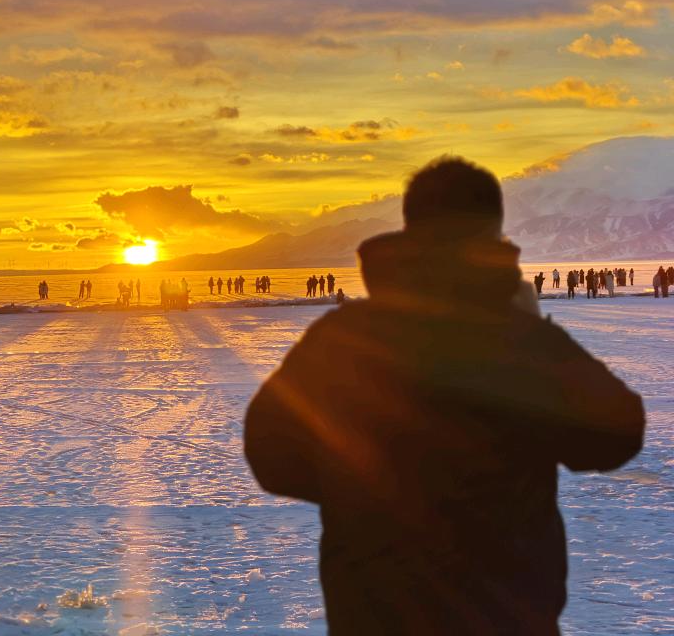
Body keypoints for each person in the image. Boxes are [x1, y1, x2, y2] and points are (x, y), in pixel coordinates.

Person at [245, 157, 644, 636]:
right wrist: (535, 334)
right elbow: (616, 433)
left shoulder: (342, 338)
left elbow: (270, 454)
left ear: (410, 226)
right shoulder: (519, 341)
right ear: (494, 233)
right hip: (504, 617)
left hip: (374, 615)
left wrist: (362, 486)